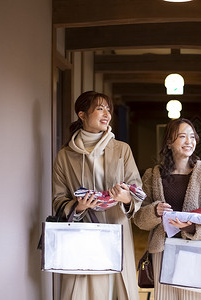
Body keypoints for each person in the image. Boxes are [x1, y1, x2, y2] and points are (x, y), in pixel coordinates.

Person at [52, 91, 142, 300]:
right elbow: (58, 198)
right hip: (82, 235)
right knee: (82, 290)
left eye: (108, 109)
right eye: (100, 108)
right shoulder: (65, 155)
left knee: (116, 288)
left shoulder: (122, 149)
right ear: (82, 115)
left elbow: (137, 189)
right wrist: (78, 206)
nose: (106, 114)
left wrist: (125, 197)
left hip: (116, 230)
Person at [133, 118, 201, 300]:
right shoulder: (152, 175)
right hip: (164, 251)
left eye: (192, 137)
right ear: (169, 142)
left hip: (198, 251)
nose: (189, 142)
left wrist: (191, 227)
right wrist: (155, 211)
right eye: (182, 137)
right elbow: (138, 217)